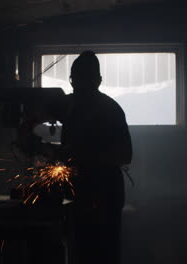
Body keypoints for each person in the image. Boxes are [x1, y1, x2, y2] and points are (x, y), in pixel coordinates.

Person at [60, 51, 132, 264]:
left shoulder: (110, 110)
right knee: (79, 252)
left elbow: (125, 155)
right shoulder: (71, 105)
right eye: (75, 79)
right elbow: (43, 110)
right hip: (79, 193)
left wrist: (81, 155)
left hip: (104, 195)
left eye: (84, 79)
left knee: (102, 254)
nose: (78, 86)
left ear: (98, 81)